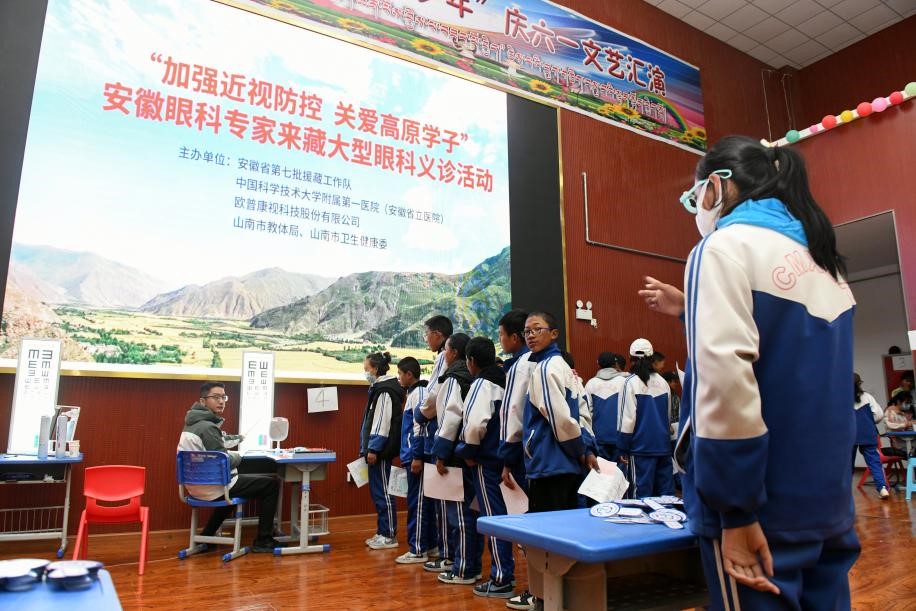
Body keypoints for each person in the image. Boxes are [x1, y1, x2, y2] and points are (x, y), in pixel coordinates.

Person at [640, 135, 858, 608]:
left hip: (760, 510)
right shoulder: (825, 264)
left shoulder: (722, 247)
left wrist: (735, 509)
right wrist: (690, 308)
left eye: (694, 197)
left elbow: (726, 384)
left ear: (716, 187)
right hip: (828, 503)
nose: (697, 209)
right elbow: (794, 359)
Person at [515, 311, 591, 611]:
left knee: (546, 540)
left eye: (537, 329)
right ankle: (564, 598)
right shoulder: (566, 369)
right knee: (567, 535)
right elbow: (583, 412)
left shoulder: (545, 368)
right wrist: (586, 449)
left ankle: (544, 598)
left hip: (550, 465)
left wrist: (579, 449)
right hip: (566, 464)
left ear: (554, 333)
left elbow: (560, 419)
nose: (530, 335)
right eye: (526, 331)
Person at [177, 382, 282, 553]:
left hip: (194, 487)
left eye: (223, 397)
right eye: (216, 397)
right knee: (271, 485)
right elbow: (223, 460)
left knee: (234, 489)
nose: (221, 401)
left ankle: (208, 536)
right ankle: (263, 539)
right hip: (212, 487)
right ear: (203, 401)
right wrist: (238, 456)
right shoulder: (207, 427)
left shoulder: (193, 424)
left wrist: (236, 441)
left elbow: (216, 446)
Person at [454, 336, 515, 598]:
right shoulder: (505, 378)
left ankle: (501, 578)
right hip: (507, 459)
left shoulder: (481, 383)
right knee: (510, 517)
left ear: (471, 361)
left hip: (487, 461)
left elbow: (475, 425)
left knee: (493, 519)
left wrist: (468, 452)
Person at [428, 333, 479, 585]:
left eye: (446, 350)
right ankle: (471, 565)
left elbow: (450, 418)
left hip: (455, 455)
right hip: (469, 452)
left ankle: (463, 569)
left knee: (459, 516)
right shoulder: (474, 376)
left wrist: (441, 453)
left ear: (454, 353)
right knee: (470, 513)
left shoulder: (453, 378)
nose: (444, 355)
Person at [414, 314, 453, 570]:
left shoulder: (444, 357)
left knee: (445, 501)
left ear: (438, 335)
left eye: (427, 334)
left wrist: (420, 414)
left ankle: (448, 555)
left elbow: (434, 396)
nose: (426, 338)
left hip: (440, 435)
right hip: (444, 436)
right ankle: (447, 552)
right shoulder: (446, 356)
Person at [618, 339, 673, 498]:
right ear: (652, 357)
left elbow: (627, 421)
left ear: (631, 359)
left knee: (640, 498)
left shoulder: (630, 383)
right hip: (663, 448)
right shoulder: (663, 383)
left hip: (640, 450)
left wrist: (622, 447)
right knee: (666, 497)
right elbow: (668, 417)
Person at [360, 351, 404, 550]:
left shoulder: (385, 391)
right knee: (378, 492)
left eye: (366, 369)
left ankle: (389, 535)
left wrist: (373, 448)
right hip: (377, 451)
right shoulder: (379, 388)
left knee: (384, 492)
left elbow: (381, 423)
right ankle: (382, 531)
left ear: (376, 369)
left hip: (381, 452)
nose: (365, 373)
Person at [395, 356, 436, 564]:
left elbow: (420, 427)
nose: (398, 377)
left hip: (416, 456)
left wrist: (417, 456)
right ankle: (430, 545)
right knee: (421, 502)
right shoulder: (412, 393)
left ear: (409, 374)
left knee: (418, 504)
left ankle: (418, 548)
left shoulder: (419, 392)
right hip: (411, 455)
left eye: (400, 373)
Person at [498, 309, 531, 494]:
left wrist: (507, 460)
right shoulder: (546, 359)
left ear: (515, 338)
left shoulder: (520, 366)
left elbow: (513, 412)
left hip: (522, 453)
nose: (500, 339)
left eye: (501, 334)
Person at [584, 352, 629, 462]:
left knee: (602, 471)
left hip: (599, 438)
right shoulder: (624, 382)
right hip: (620, 438)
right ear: (615, 364)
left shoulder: (591, 383)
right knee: (620, 471)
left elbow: (587, 412)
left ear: (598, 364)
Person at [852, 374, 889, 499]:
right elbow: (879, 415)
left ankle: (844, 492)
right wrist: (868, 421)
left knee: (847, 464)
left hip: (850, 435)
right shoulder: (867, 397)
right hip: (868, 433)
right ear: (860, 384)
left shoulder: (841, 398)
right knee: (874, 462)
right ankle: (882, 488)